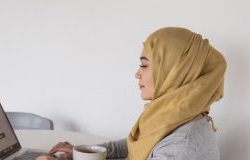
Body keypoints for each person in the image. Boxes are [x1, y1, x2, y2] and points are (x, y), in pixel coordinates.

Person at [35, 27, 227, 160]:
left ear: (174, 72)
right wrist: (81, 153)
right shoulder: (175, 118)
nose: (137, 73)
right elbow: (135, 144)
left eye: (144, 65)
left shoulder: (182, 148)